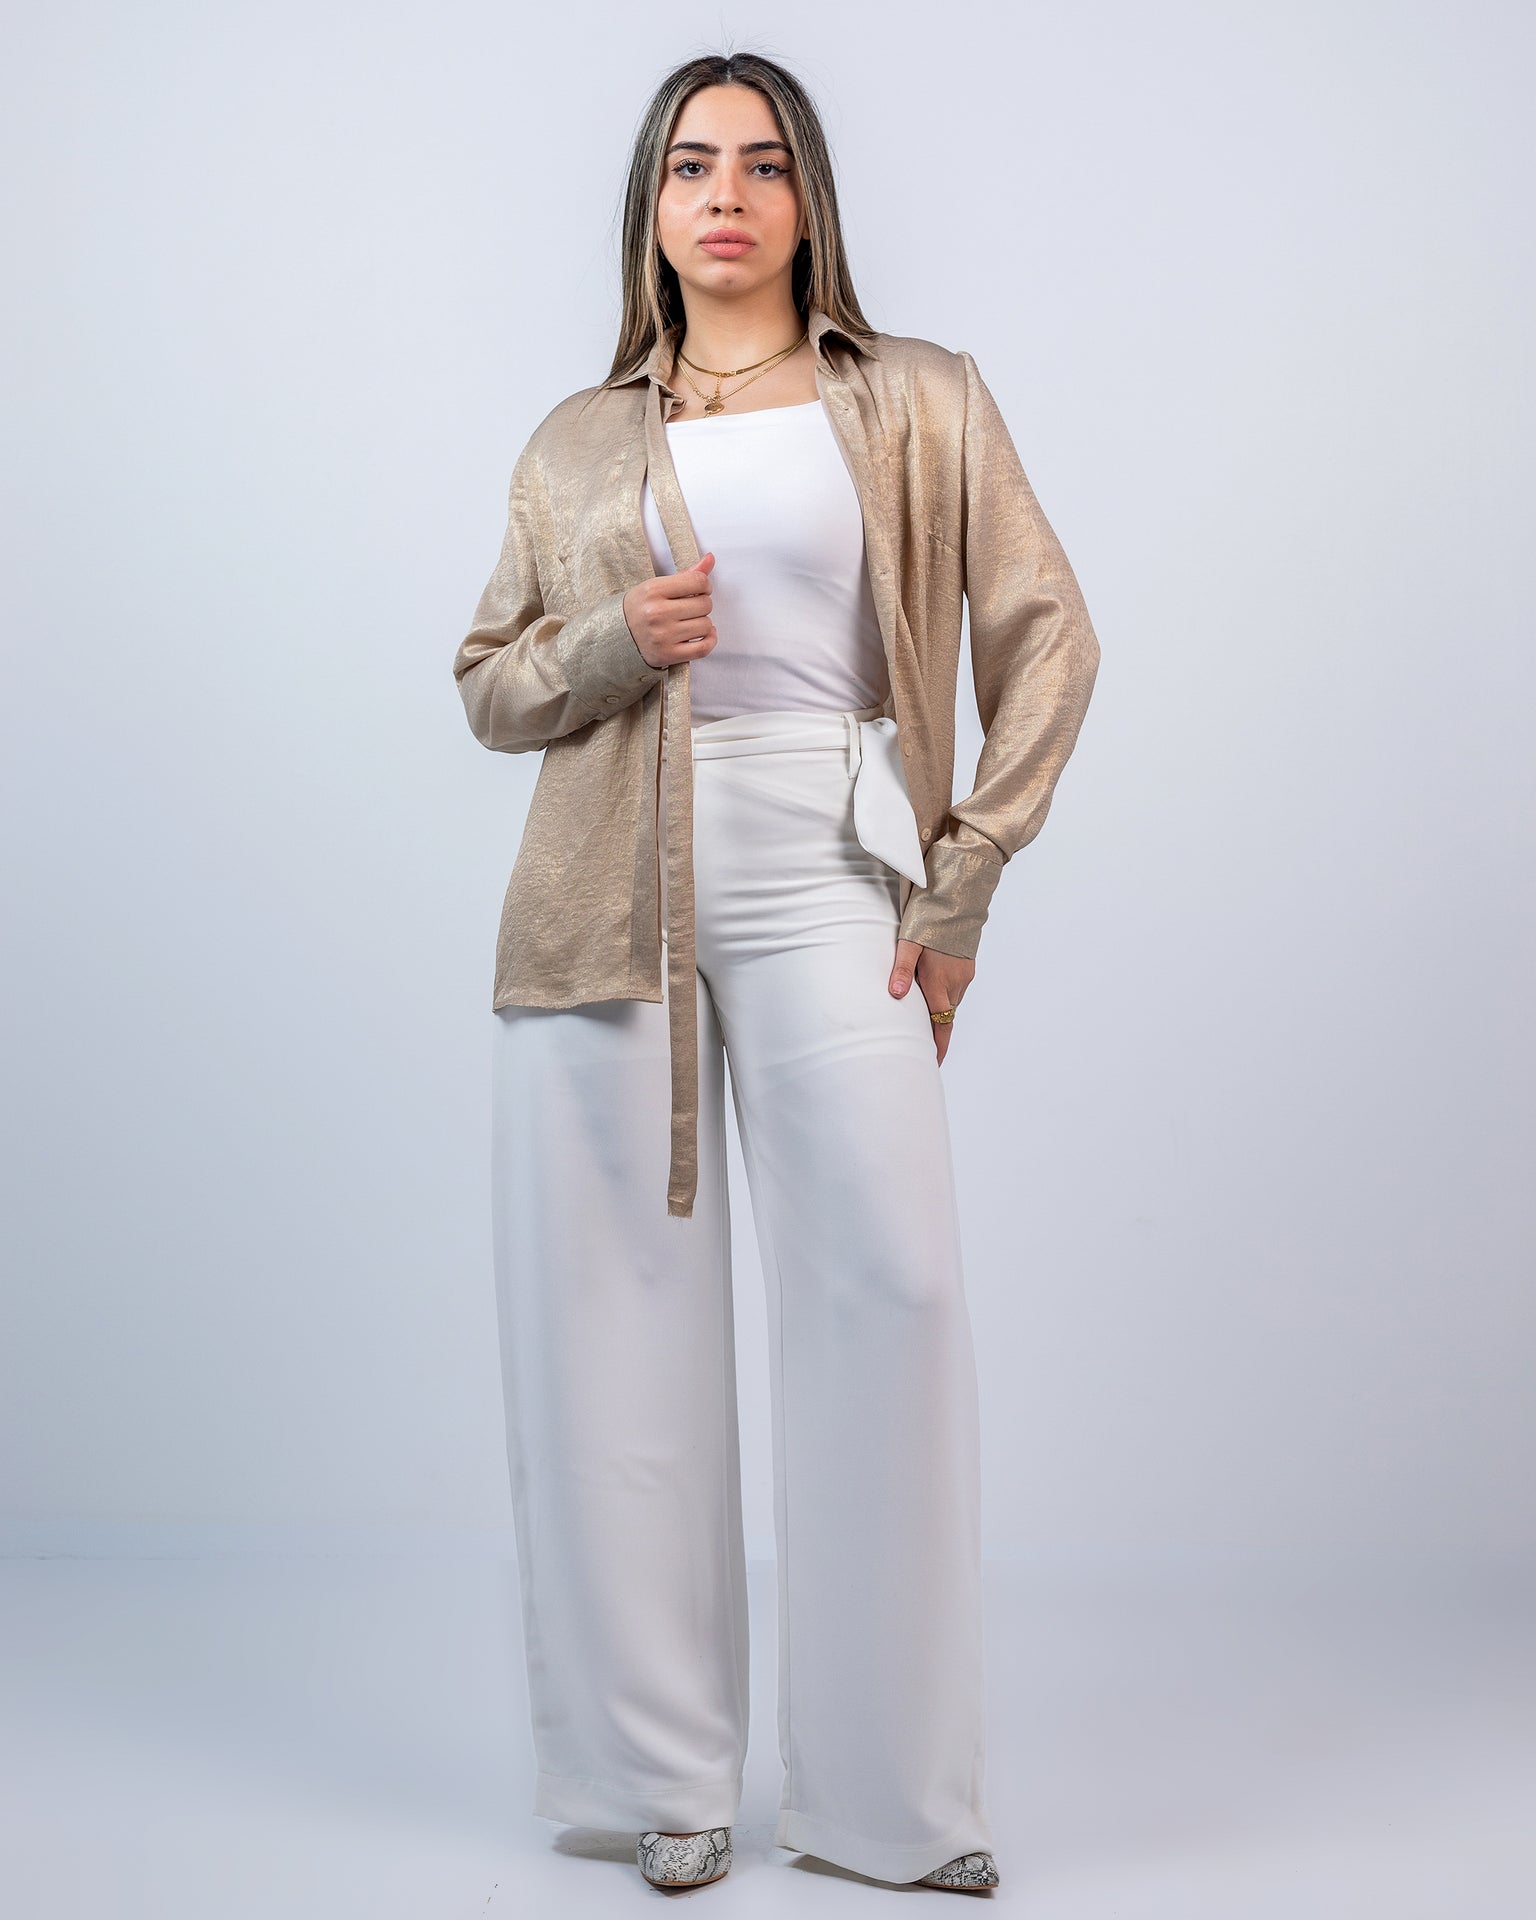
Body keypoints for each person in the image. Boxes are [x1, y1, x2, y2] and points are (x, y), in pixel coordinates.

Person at [451, 49, 1100, 1895]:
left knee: (890, 1292)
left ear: (809, 197)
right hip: (601, 895)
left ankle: (895, 1807)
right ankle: (661, 1780)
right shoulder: (580, 437)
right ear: (651, 210)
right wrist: (612, 640)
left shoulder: (917, 396)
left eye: (759, 164)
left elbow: (1049, 638)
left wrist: (960, 885)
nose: (722, 196)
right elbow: (490, 681)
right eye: (688, 167)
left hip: (827, 857)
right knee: (612, 1330)